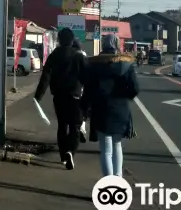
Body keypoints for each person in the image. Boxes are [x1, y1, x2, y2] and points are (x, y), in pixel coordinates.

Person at [81, 33, 140, 178]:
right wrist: (124, 96)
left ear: (103, 44)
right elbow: (135, 88)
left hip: (100, 109)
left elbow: (87, 89)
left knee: (106, 150)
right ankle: (118, 179)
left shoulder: (94, 64)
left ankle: (109, 183)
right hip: (121, 109)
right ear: (118, 44)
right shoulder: (126, 63)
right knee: (117, 145)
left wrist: (84, 108)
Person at [34, 27, 87, 170]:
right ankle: (71, 151)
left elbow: (46, 76)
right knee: (75, 127)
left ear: (59, 40)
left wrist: (38, 96)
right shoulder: (78, 56)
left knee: (62, 126)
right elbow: (87, 78)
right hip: (75, 97)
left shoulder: (54, 55)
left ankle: (63, 155)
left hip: (59, 96)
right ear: (72, 40)